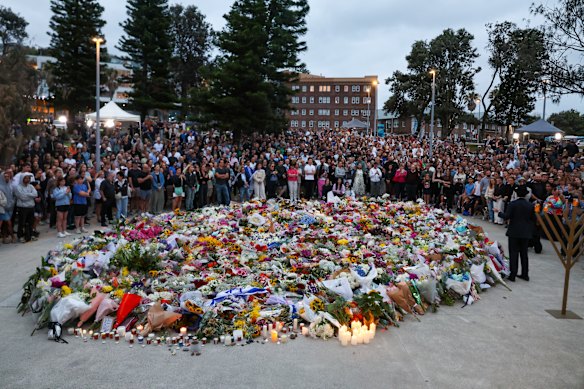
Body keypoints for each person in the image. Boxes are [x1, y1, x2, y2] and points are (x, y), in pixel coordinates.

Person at [498, 185, 535, 282]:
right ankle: (525, 274)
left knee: (513, 253)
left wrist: (499, 213)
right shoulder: (530, 205)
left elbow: (507, 216)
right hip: (525, 232)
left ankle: (513, 274)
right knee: (524, 254)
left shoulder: (513, 204)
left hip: (514, 231)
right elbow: (533, 219)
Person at [14, 173, 38, 243]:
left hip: (31, 207)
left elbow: (35, 194)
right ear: (22, 179)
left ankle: (30, 235)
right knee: (22, 222)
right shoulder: (18, 187)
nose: (27, 179)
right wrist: (30, 195)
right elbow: (22, 197)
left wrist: (27, 194)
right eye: (26, 178)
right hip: (22, 207)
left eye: (28, 178)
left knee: (31, 222)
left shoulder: (30, 186)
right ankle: (20, 236)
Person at [0, 170, 16, 243]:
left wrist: (13, 202)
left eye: (8, 176)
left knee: (5, 224)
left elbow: (13, 195)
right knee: (8, 223)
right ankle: (12, 236)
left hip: (11, 207)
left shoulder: (11, 185)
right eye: (5, 177)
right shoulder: (0, 187)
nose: (7, 178)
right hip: (3, 208)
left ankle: (4, 237)